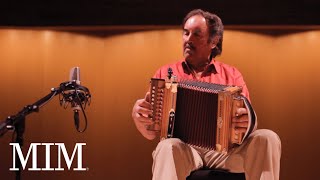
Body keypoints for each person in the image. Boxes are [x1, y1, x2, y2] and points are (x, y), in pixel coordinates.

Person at [132, 9, 281, 180]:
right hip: (185, 150)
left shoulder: (232, 74)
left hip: (225, 152)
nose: (188, 39)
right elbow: (151, 132)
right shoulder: (165, 73)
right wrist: (139, 117)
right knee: (166, 146)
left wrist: (246, 121)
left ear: (214, 41)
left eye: (197, 34)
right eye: (186, 33)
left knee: (268, 138)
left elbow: (247, 121)